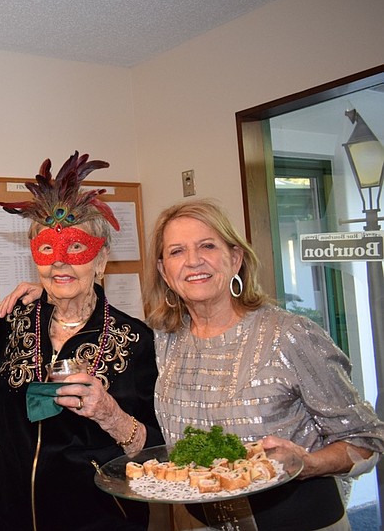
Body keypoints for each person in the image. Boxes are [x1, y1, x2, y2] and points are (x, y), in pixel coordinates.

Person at [144, 198, 384, 530]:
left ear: (235, 258)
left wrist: (307, 463)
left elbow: (367, 441)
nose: (193, 261)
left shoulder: (291, 335)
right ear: (164, 273)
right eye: (176, 252)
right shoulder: (165, 339)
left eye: (207, 246)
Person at [0, 152, 164, 531]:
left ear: (101, 260)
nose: (59, 264)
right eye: (47, 249)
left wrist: (111, 415)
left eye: (76, 248)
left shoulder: (138, 340)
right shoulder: (15, 319)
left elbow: (159, 447)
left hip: (100, 519)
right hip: (9, 514)